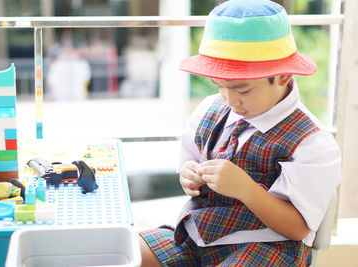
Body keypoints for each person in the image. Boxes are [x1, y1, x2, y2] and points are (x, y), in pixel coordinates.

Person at [138, 0, 342, 266]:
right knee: (126, 254)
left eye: (242, 90)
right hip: (199, 237)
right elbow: (189, 173)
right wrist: (188, 177)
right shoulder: (208, 111)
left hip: (270, 246)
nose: (229, 100)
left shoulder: (311, 143)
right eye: (219, 86)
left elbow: (298, 229)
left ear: (282, 76)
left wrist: (246, 189)